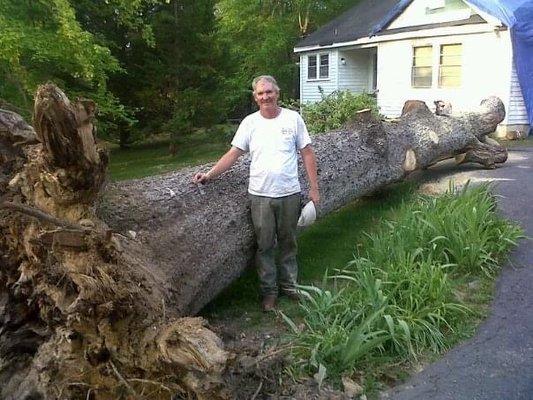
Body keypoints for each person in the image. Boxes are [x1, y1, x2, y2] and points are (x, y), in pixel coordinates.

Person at [192, 75, 319, 311]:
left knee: (288, 243)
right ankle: (269, 293)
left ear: (277, 93)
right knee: (265, 247)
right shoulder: (250, 124)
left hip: (289, 193)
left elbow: (308, 153)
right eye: (261, 93)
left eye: (269, 92)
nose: (265, 97)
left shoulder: (293, 119)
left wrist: (314, 189)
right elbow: (233, 154)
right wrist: (209, 175)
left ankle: (290, 287)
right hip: (260, 196)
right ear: (255, 97)